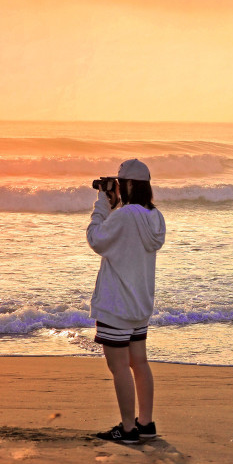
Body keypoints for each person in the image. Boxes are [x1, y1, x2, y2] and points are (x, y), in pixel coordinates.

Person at [87, 159, 166, 444]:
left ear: (129, 185)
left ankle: (129, 429)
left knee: (119, 367)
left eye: (120, 183)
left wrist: (101, 205)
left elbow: (96, 239)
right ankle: (145, 423)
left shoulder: (123, 216)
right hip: (139, 303)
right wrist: (114, 205)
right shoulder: (154, 217)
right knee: (139, 363)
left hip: (116, 304)